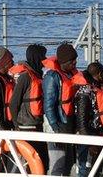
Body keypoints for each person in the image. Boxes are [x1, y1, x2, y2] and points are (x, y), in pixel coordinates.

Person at [73, 62, 103, 177]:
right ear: (99, 74)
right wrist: (89, 143)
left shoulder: (98, 87)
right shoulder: (85, 92)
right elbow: (81, 121)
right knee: (85, 170)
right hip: (88, 137)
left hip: (99, 134)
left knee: (97, 169)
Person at [9, 44, 48, 170]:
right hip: (26, 126)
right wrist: (16, 125)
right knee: (35, 162)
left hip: (37, 124)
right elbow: (14, 103)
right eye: (43, 57)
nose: (45, 61)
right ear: (37, 58)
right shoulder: (25, 77)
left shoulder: (37, 75)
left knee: (43, 162)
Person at [43, 43, 79, 176]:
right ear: (63, 61)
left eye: (75, 59)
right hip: (57, 127)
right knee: (58, 164)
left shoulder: (71, 75)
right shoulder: (52, 77)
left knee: (69, 164)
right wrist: (56, 129)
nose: (75, 62)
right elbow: (49, 105)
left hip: (69, 124)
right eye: (72, 60)